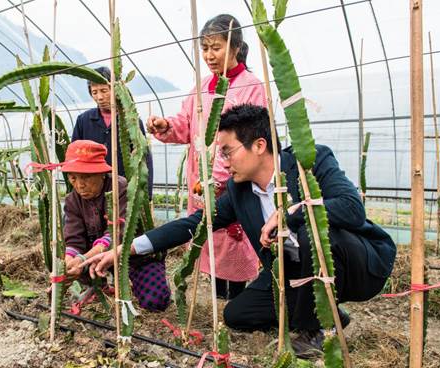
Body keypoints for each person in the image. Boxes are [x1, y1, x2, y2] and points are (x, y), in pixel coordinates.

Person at [84, 105, 397, 357]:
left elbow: (352, 208)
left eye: (227, 151)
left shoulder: (310, 161)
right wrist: (125, 249)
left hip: (357, 262)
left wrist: (291, 212)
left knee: (306, 232)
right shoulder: (238, 191)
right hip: (289, 271)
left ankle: (314, 329)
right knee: (238, 315)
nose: (223, 160)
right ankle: (326, 313)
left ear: (259, 145)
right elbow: (193, 225)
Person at [146, 14, 265, 299]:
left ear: (235, 47)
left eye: (216, 47)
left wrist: (221, 175)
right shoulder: (201, 87)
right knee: (208, 237)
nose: (209, 56)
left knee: (234, 239)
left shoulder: (251, 86)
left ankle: (236, 299)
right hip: (200, 181)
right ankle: (218, 298)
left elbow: (250, 138)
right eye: (205, 49)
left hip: (236, 181)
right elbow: (185, 124)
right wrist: (167, 126)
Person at [62, 140, 170, 311]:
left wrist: (83, 259)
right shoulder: (72, 201)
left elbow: (117, 233)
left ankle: (137, 282)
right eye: (73, 178)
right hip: (96, 260)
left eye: (86, 177)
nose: (79, 185)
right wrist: (68, 264)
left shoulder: (122, 188)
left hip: (134, 257)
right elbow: (74, 240)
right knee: (74, 259)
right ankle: (99, 285)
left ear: (102, 173)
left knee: (155, 301)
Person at [72, 66, 153, 198]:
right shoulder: (83, 120)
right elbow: (74, 158)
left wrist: (146, 194)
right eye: (94, 92)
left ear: (115, 90)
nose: (100, 97)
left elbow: (144, 158)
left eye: (104, 90)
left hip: (124, 191)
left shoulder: (131, 120)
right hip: (92, 191)